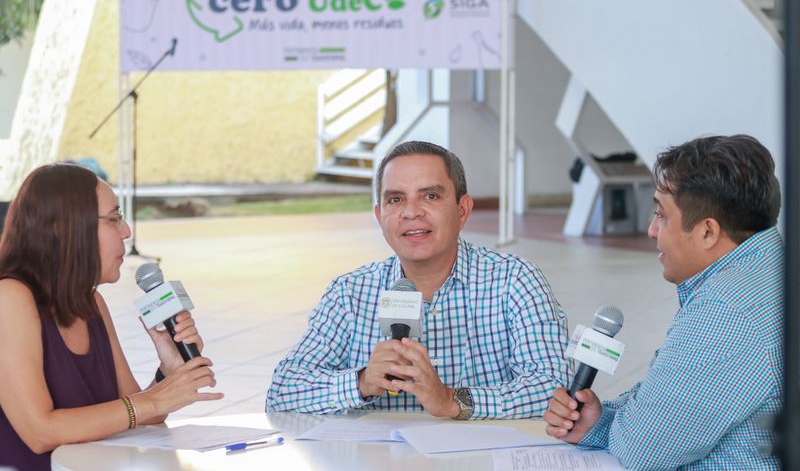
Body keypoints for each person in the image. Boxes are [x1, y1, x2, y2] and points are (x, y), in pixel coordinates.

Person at [267, 141, 570, 419]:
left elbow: (557, 389)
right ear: (379, 215)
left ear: (462, 210)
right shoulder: (350, 292)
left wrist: (452, 401)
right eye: (396, 199)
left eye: (430, 196)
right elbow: (282, 392)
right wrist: (360, 382)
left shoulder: (514, 281)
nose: (411, 212)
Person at [544, 135, 782, 469]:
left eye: (661, 214)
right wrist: (602, 423)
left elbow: (645, 450)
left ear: (707, 232)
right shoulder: (767, 271)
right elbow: (665, 402)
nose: (652, 230)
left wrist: (615, 427)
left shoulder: (727, 312)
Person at [0, 164, 224, 470]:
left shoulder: (91, 301)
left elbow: (137, 414)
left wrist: (169, 370)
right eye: (114, 218)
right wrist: (156, 400)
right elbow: (40, 432)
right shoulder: (9, 298)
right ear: (65, 228)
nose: (127, 231)